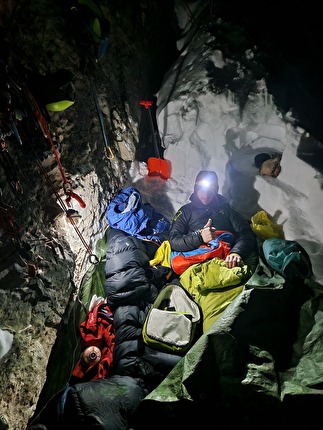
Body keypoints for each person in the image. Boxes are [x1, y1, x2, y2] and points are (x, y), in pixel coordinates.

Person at [169, 170, 258, 269]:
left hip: (226, 259)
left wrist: (236, 253)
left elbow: (245, 233)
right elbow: (174, 241)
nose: (206, 195)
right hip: (198, 261)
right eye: (202, 190)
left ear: (216, 190)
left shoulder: (226, 209)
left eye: (211, 191)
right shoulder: (186, 211)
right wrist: (199, 237)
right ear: (196, 189)